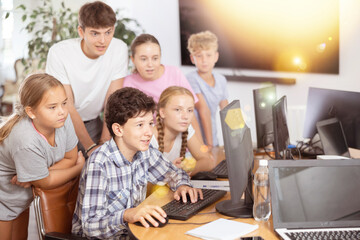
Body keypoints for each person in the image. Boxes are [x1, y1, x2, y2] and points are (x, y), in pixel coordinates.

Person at [72, 87, 202, 239]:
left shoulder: (144, 151)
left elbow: (173, 173)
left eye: (150, 123)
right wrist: (127, 215)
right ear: (118, 130)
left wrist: (182, 186)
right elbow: (90, 226)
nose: (148, 132)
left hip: (135, 233)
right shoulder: (99, 164)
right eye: (140, 125)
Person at [0, 73, 85, 240]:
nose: (61, 111)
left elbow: (70, 157)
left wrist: (36, 175)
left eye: (64, 103)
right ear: (31, 112)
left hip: (22, 194)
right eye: (52, 107)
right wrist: (78, 168)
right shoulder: (25, 140)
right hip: (3, 196)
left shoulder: (61, 120)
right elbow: (45, 181)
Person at [46, 1, 128, 157]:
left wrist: (104, 143)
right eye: (95, 33)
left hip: (94, 123)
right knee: (68, 170)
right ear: (81, 32)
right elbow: (66, 105)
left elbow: (112, 100)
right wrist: (90, 147)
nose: (103, 40)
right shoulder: (59, 53)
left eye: (108, 32)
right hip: (59, 123)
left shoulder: (119, 49)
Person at [123, 33, 204, 143]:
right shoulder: (128, 83)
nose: (150, 64)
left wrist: (201, 146)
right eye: (143, 59)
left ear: (160, 57)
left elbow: (190, 113)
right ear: (133, 59)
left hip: (180, 141)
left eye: (155, 58)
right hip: (149, 144)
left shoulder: (174, 73)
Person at [151, 86, 216, 176]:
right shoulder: (148, 138)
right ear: (162, 112)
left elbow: (208, 161)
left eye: (190, 110)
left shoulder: (186, 128)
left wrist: (186, 170)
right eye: (178, 110)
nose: (185, 116)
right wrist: (172, 172)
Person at [186, 31, 229, 148]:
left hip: (213, 138)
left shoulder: (221, 80)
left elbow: (227, 111)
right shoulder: (190, 79)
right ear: (192, 58)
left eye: (208, 55)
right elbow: (203, 110)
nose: (204, 60)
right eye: (199, 56)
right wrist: (209, 146)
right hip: (196, 142)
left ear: (216, 57)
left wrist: (237, 139)